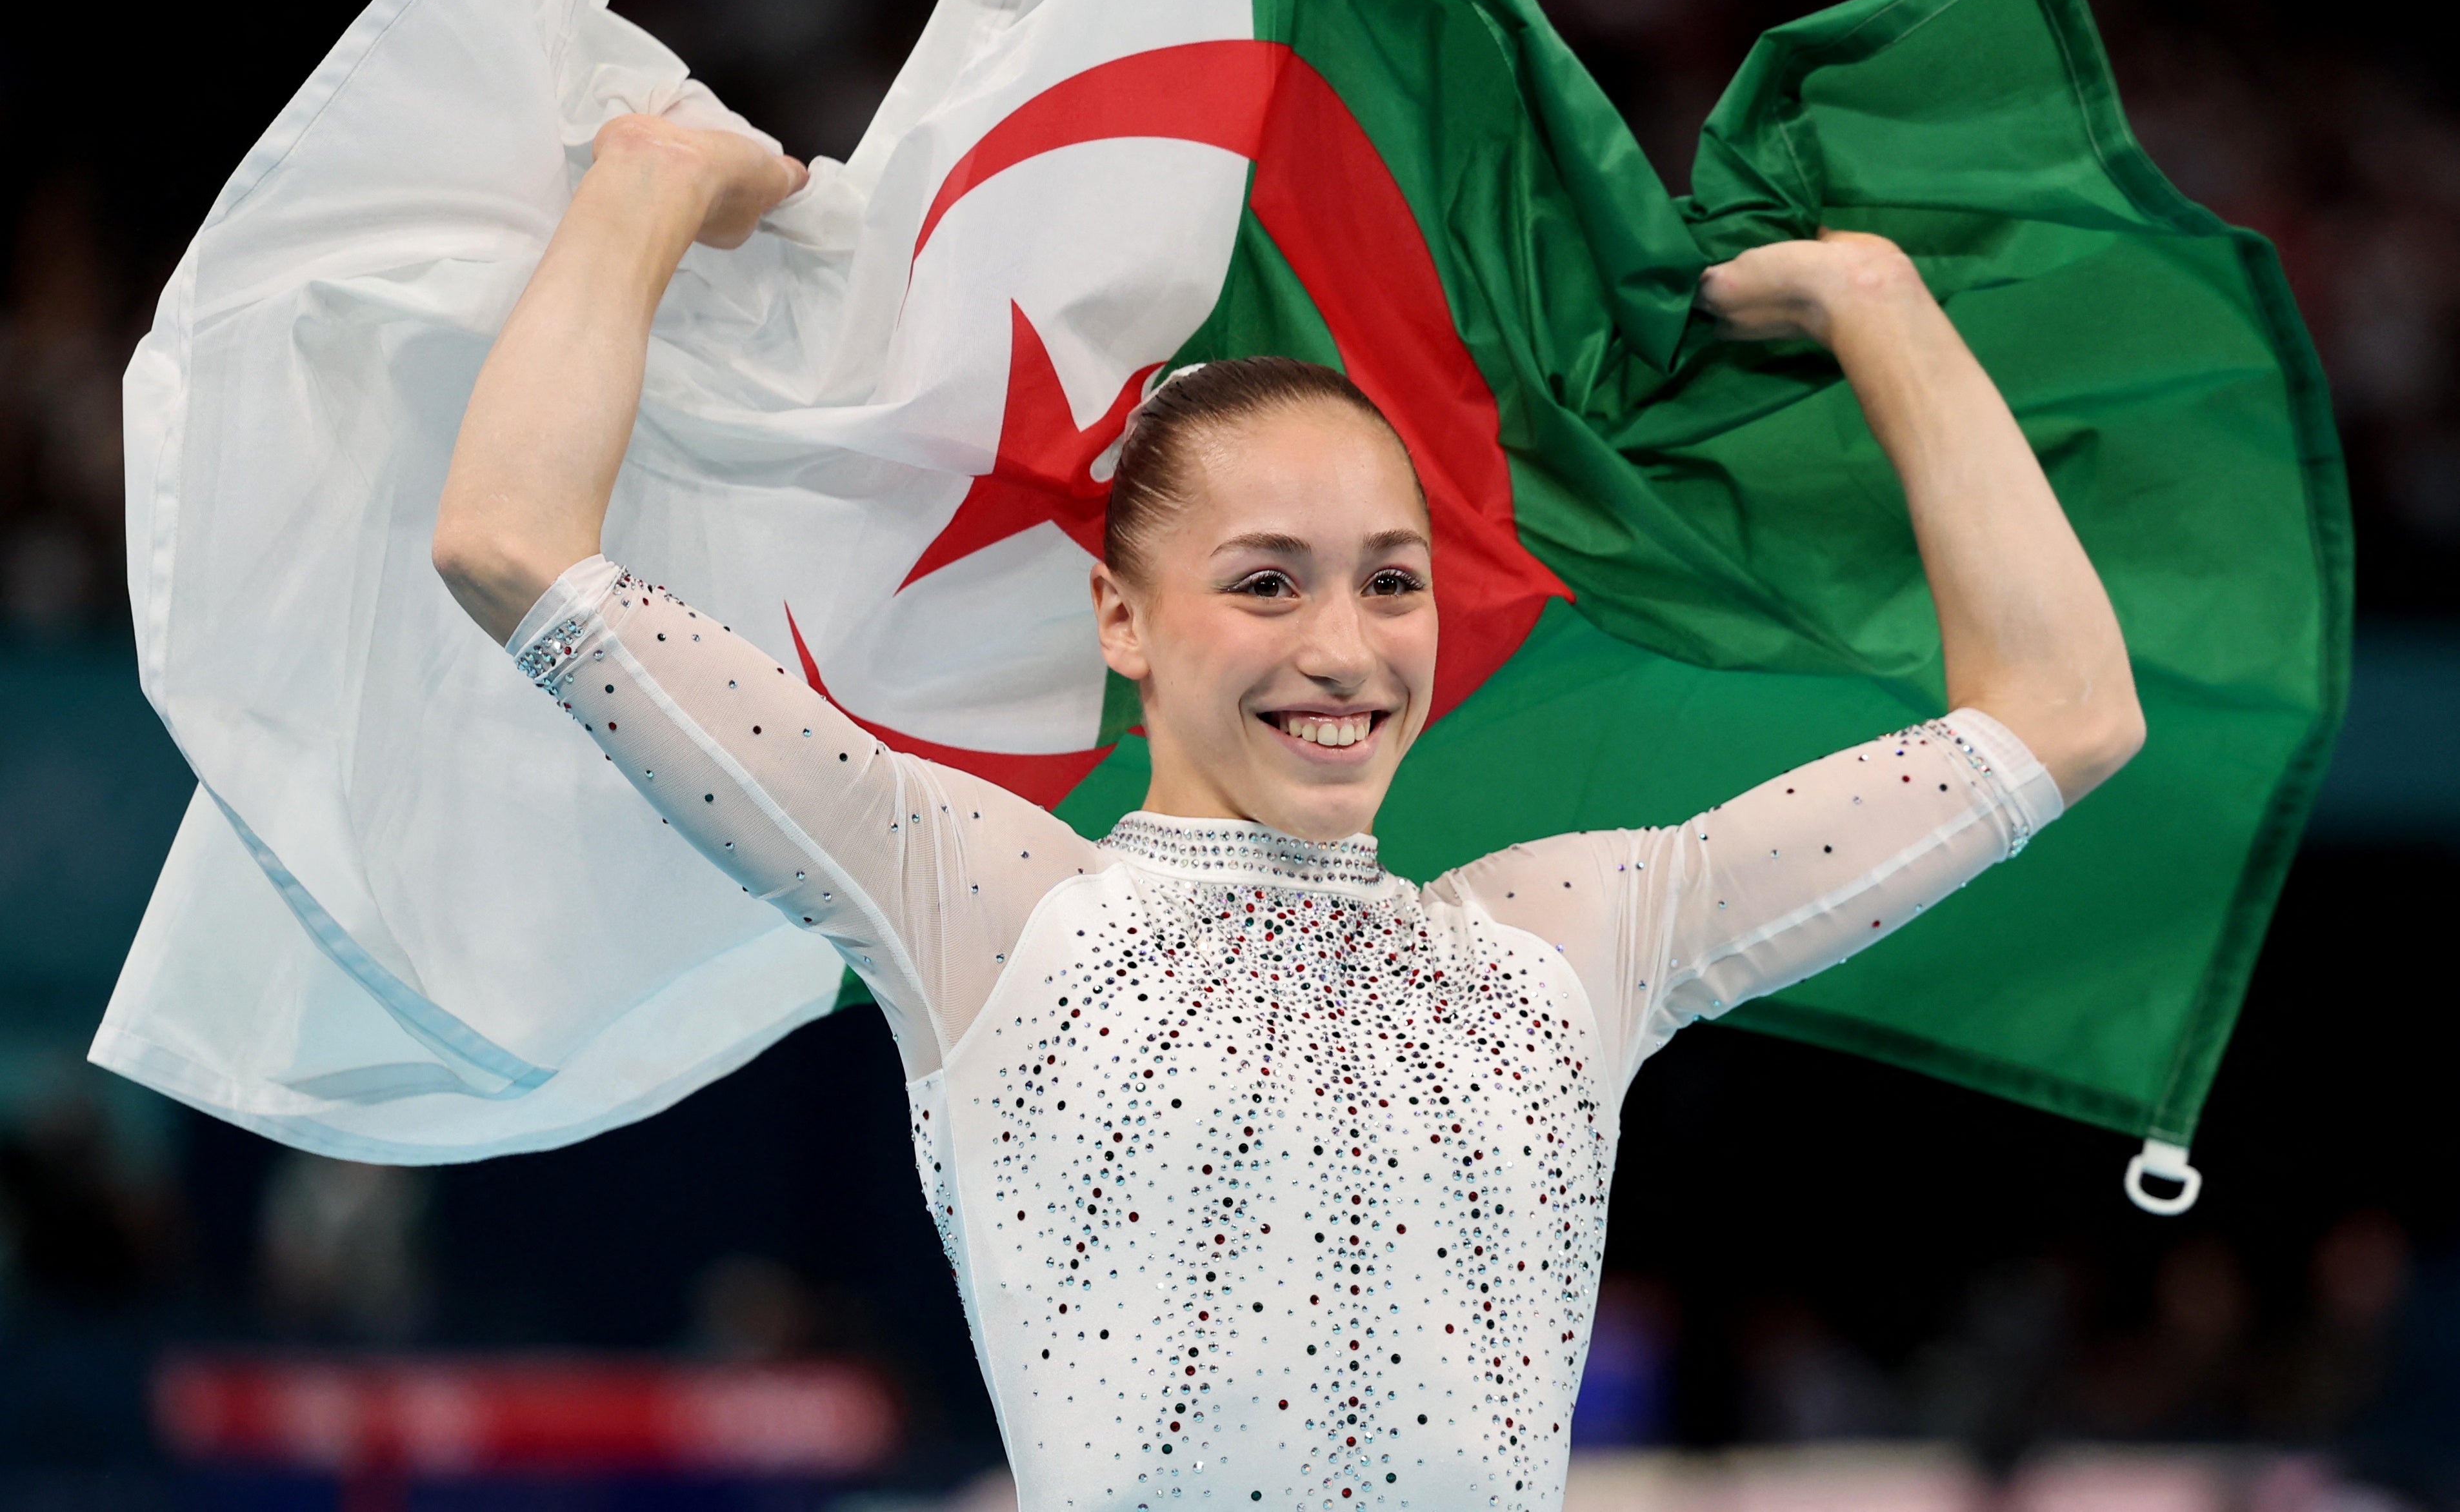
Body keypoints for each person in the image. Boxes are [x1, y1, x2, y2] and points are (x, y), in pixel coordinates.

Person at [431, 111, 2143, 1509]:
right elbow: (512, 544)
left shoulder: (1574, 938)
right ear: (1123, 621)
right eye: (1267, 583)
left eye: (1390, 582)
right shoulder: (975, 900)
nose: (1344, 647)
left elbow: (2063, 713)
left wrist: (1884, 313)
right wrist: (645, 193)